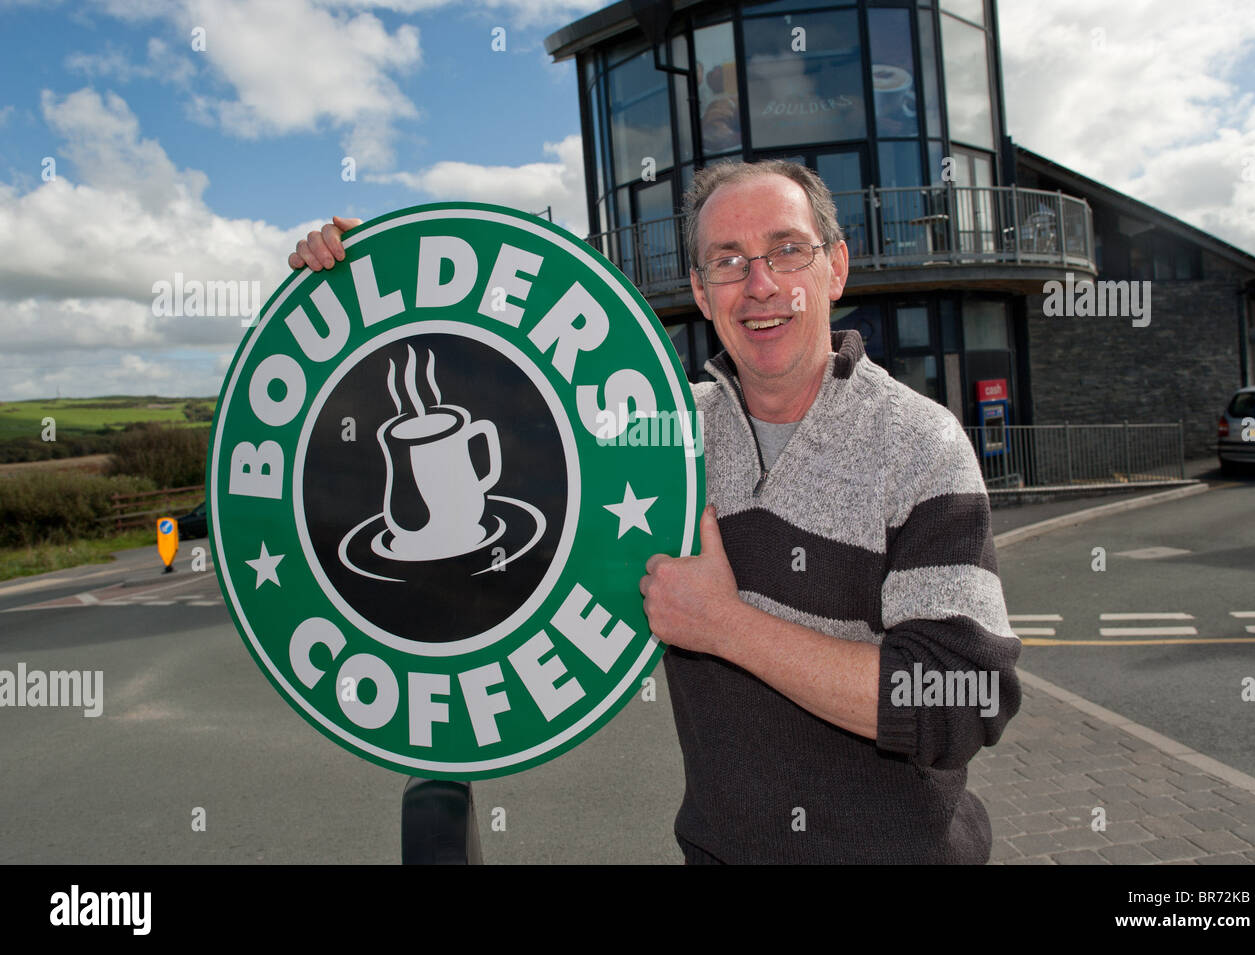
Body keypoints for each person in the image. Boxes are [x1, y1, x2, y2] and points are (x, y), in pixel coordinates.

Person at [287, 161, 1021, 864]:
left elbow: (962, 700)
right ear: (702, 292)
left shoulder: (920, 443)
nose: (760, 284)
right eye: (728, 261)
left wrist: (726, 626)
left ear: (836, 268)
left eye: (786, 251)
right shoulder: (664, 434)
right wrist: (375, 283)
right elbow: (513, 417)